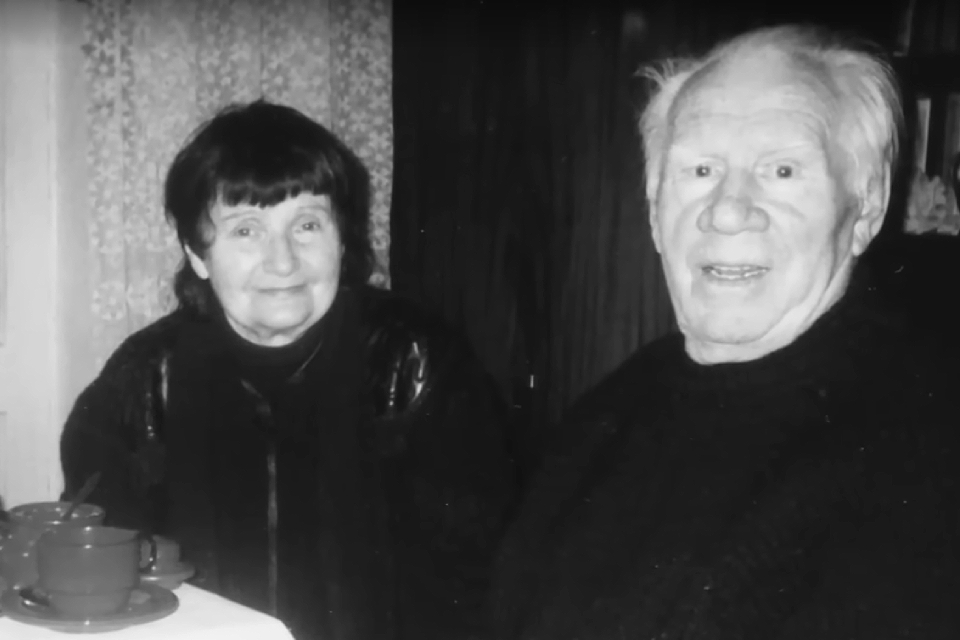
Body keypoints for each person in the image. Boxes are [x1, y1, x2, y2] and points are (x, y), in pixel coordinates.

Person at [491, 25, 960, 639]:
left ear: (865, 208)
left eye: (782, 170)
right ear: (654, 208)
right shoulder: (605, 413)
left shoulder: (922, 454)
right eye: (701, 169)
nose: (728, 210)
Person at [60, 100, 518, 640]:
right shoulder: (139, 382)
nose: (283, 262)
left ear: (340, 239)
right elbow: (100, 580)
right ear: (198, 254)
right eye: (246, 231)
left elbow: (473, 583)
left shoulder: (417, 364)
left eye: (306, 225)